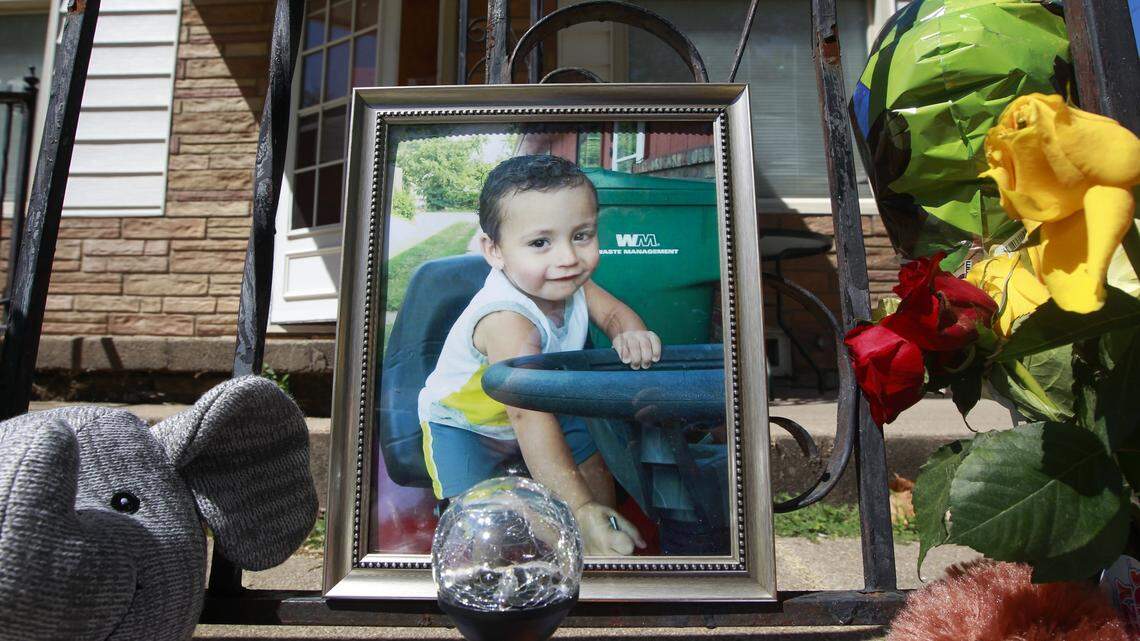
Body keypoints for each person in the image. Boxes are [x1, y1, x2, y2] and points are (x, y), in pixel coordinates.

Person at [418, 154, 658, 556]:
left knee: (596, 474)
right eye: (540, 243)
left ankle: (602, 547)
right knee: (478, 527)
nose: (567, 258)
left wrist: (630, 333)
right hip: (468, 426)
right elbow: (526, 415)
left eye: (581, 235)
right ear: (494, 251)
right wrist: (577, 508)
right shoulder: (507, 319)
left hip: (546, 401)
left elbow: (614, 313)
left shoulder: (572, 284)